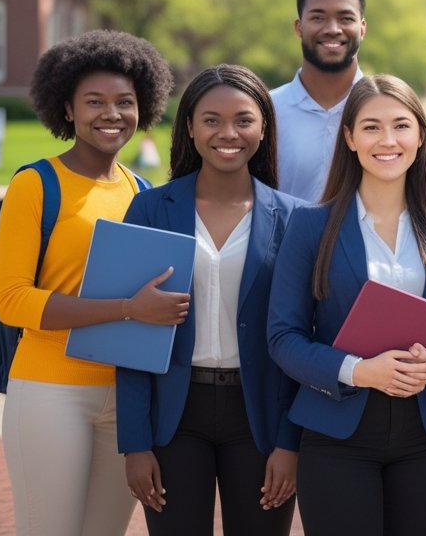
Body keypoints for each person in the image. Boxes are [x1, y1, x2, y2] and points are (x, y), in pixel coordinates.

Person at [268, 74, 426, 536]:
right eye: (370, 127)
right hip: (336, 432)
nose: (387, 140)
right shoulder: (311, 226)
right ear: (349, 137)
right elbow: (283, 337)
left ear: (421, 136)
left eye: (401, 125)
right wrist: (357, 370)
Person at [0, 30, 181, 536]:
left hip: (126, 400)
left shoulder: (144, 192)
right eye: (94, 102)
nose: (111, 114)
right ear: (68, 110)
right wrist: (125, 308)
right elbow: (11, 300)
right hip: (51, 392)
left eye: (125, 102)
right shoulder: (36, 184)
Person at [116, 65, 303, 535]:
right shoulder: (150, 209)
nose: (228, 133)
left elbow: (301, 335)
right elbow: (134, 337)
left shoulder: (295, 218)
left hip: (259, 417)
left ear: (263, 128)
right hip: (174, 418)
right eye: (211, 119)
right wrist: (135, 444)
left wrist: (290, 443)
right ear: (191, 129)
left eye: (244, 119)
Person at [271, 0, 367, 201]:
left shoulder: (386, 109)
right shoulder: (266, 110)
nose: (333, 29)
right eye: (318, 18)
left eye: (345, 18)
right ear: (299, 27)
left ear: (362, 28)